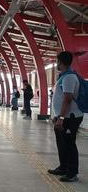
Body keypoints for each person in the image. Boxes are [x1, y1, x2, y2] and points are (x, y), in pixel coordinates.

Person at [48, 51, 84, 182]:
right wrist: (57, 116)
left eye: (57, 61)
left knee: (69, 144)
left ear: (61, 63)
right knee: (61, 143)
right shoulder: (64, 76)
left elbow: (67, 99)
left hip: (70, 117)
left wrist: (61, 119)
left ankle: (72, 172)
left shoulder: (69, 77)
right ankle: (63, 167)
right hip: (63, 117)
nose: (56, 64)